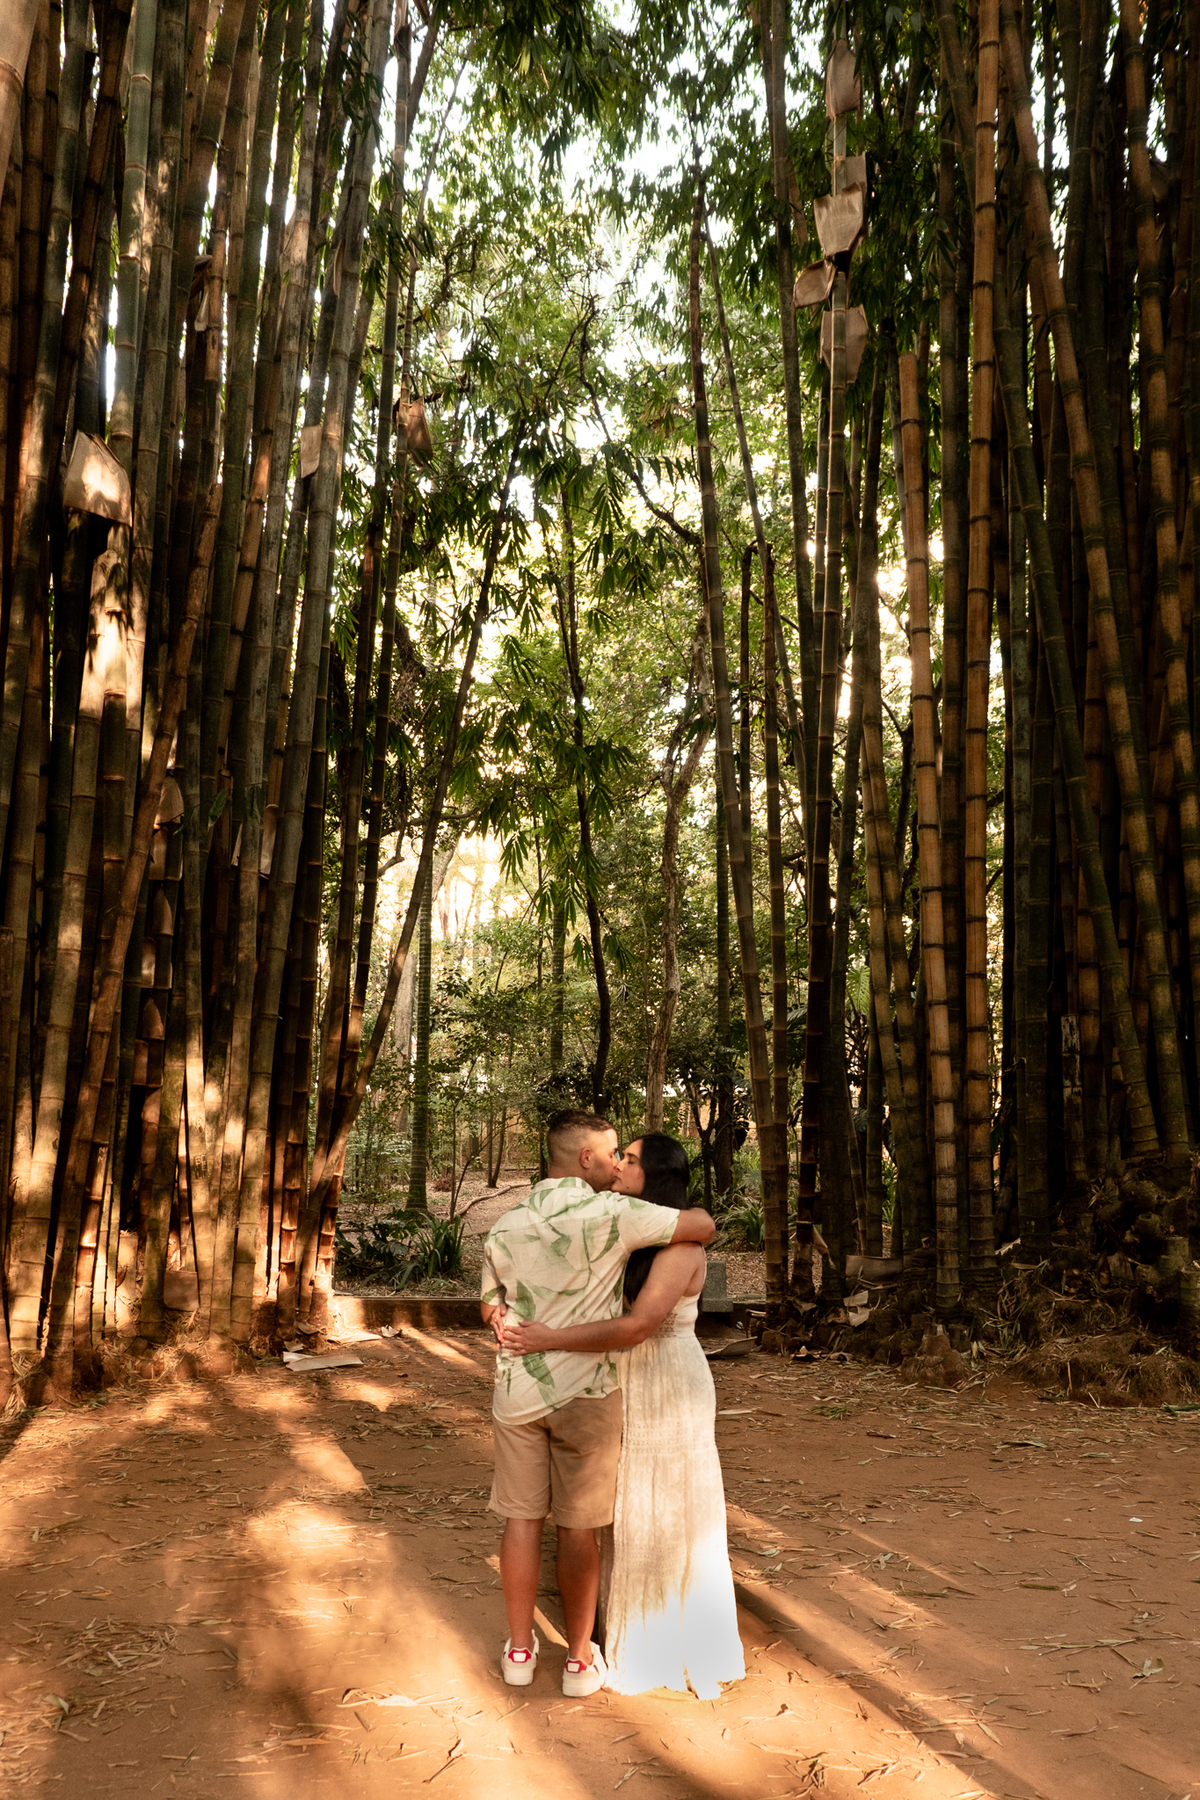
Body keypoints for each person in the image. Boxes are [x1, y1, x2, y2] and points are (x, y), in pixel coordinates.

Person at [481, 1110, 717, 1698]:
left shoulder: (505, 1224)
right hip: (587, 1390)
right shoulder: (614, 1213)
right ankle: (580, 1660)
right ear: (586, 1158)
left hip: (520, 1390)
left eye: (628, 1158)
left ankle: (518, 1651)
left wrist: (504, 1323)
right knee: (579, 1527)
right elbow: (702, 1224)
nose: (617, 1165)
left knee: (521, 1520)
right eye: (615, 1154)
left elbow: (490, 1304)